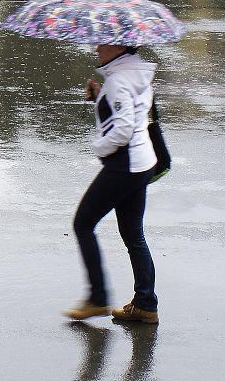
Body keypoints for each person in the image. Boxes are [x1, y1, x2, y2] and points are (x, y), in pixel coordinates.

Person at [64, 44, 161, 325]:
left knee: (83, 224)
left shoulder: (118, 81)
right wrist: (99, 99)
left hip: (125, 165)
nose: (97, 47)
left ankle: (97, 297)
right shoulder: (136, 73)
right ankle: (145, 304)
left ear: (118, 46)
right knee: (133, 235)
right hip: (143, 162)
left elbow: (122, 129)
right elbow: (130, 113)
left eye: (103, 42)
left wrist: (99, 147)